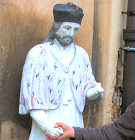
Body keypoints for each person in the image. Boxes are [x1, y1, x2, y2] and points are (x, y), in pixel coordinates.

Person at [19, 2, 103, 140]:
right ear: (56, 27)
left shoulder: (81, 55)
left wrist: (93, 93)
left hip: (74, 121)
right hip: (47, 122)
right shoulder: (38, 54)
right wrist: (47, 126)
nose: (71, 33)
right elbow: (32, 101)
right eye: (67, 28)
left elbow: (87, 89)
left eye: (75, 29)